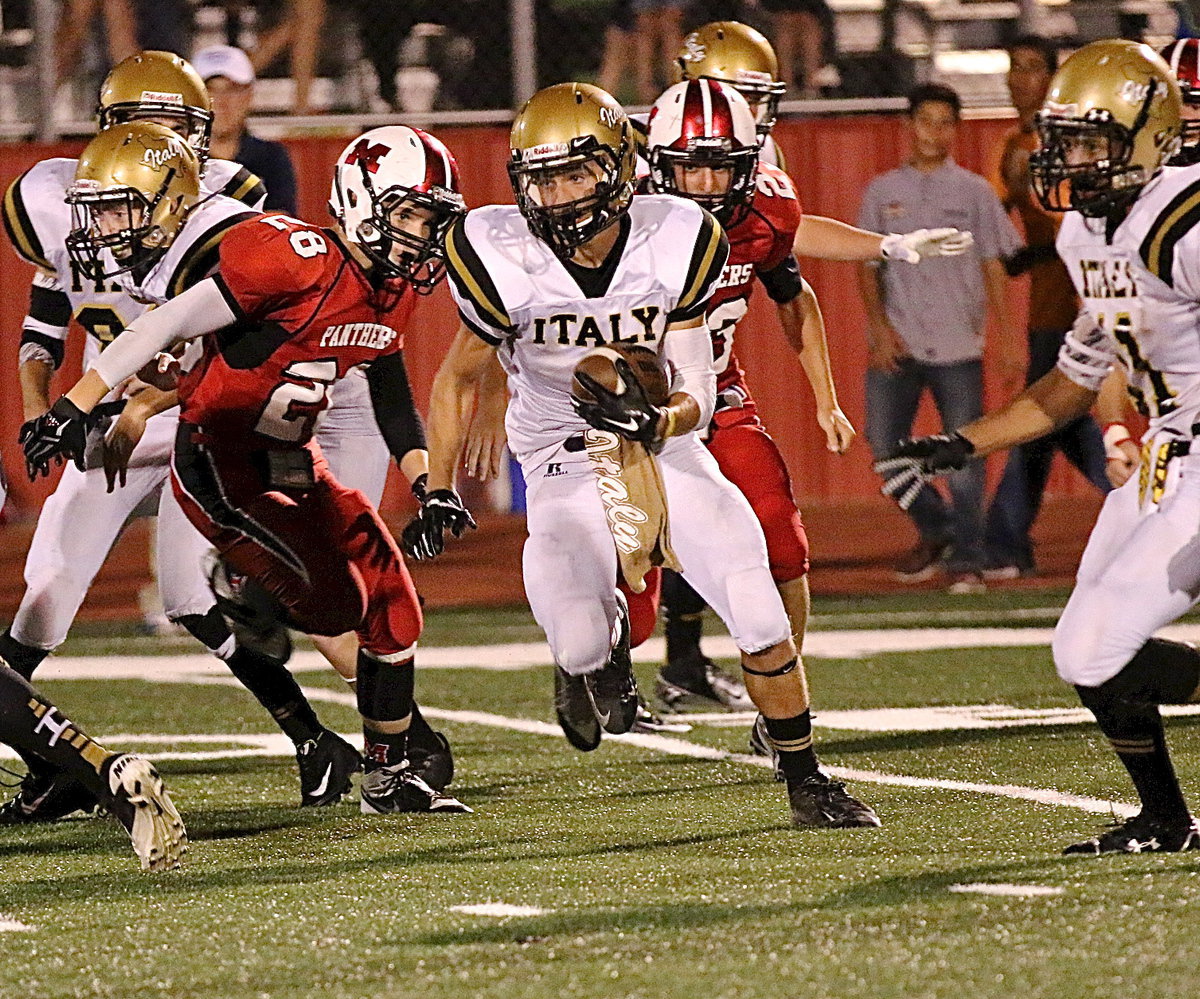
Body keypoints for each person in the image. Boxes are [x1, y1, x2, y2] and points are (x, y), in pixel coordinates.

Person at [406, 81, 880, 829]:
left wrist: (658, 414)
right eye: (542, 178)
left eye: (574, 174)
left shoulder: (676, 234)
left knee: (758, 611)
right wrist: (437, 485)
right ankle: (592, 662)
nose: (557, 196)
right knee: (581, 636)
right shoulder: (499, 252)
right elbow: (457, 376)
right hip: (561, 455)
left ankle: (806, 777)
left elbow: (697, 386)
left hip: (664, 441)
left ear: (619, 168)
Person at [22, 125, 473, 817]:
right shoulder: (290, 257)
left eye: (429, 219)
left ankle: (390, 773)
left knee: (393, 597)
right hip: (222, 461)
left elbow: (390, 393)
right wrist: (76, 405)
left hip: (294, 461)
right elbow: (164, 325)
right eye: (410, 214)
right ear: (361, 200)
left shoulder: (392, 290)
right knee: (338, 603)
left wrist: (428, 486)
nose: (421, 234)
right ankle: (245, 592)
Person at [0, 57, 351, 820]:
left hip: (197, 418)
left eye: (171, 129)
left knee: (198, 593)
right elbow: (42, 326)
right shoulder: (70, 206)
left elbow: (234, 351)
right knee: (44, 600)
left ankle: (353, 738)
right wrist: (42, 407)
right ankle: (52, 763)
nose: (155, 144)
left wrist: (140, 402)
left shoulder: (226, 209)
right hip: (104, 425)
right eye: (137, 126)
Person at [876, 40, 1200, 854]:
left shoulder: (1186, 220)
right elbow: (1070, 384)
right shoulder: (1087, 236)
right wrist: (965, 441)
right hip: (1168, 456)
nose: (1069, 159)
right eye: (1066, 139)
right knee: (1079, 650)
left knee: (1101, 642)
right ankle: (1165, 818)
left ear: (1149, 136)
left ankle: (1166, 816)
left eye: (1091, 141)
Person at [858, 82, 1022, 592]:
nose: (935, 132)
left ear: (956, 128)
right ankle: (942, 528)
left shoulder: (974, 192)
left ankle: (966, 560)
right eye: (925, 120)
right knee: (884, 447)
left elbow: (995, 264)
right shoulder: (881, 192)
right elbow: (867, 269)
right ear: (909, 126)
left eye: (945, 122)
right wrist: (879, 330)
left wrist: (1008, 335)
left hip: (959, 344)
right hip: (901, 341)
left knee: (966, 453)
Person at [981, 35, 1111, 580]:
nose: (1018, 78)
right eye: (1014, 66)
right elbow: (993, 217)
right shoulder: (1014, 146)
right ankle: (1006, 537)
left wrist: (1034, 248)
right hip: (1051, 302)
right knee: (1058, 415)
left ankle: (1003, 538)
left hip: (1092, 297)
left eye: (1032, 67)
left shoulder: (1074, 136)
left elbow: (1085, 219)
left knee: (1050, 413)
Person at [192, 45, 298, 216]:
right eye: (210, 90)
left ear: (249, 94)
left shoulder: (271, 158)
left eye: (232, 90)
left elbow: (280, 225)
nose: (221, 102)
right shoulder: (177, 160)